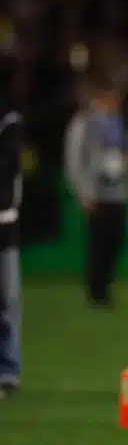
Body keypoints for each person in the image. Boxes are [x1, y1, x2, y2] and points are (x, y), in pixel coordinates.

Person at [64, 76, 128, 307]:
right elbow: (74, 160)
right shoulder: (84, 123)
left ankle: (106, 287)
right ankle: (96, 291)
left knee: (115, 242)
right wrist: (83, 193)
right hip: (96, 194)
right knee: (97, 243)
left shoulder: (122, 122)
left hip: (119, 193)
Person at [0, 107, 23, 398]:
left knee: (7, 300)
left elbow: (7, 169)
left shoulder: (8, 121)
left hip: (3, 223)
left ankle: (7, 371)